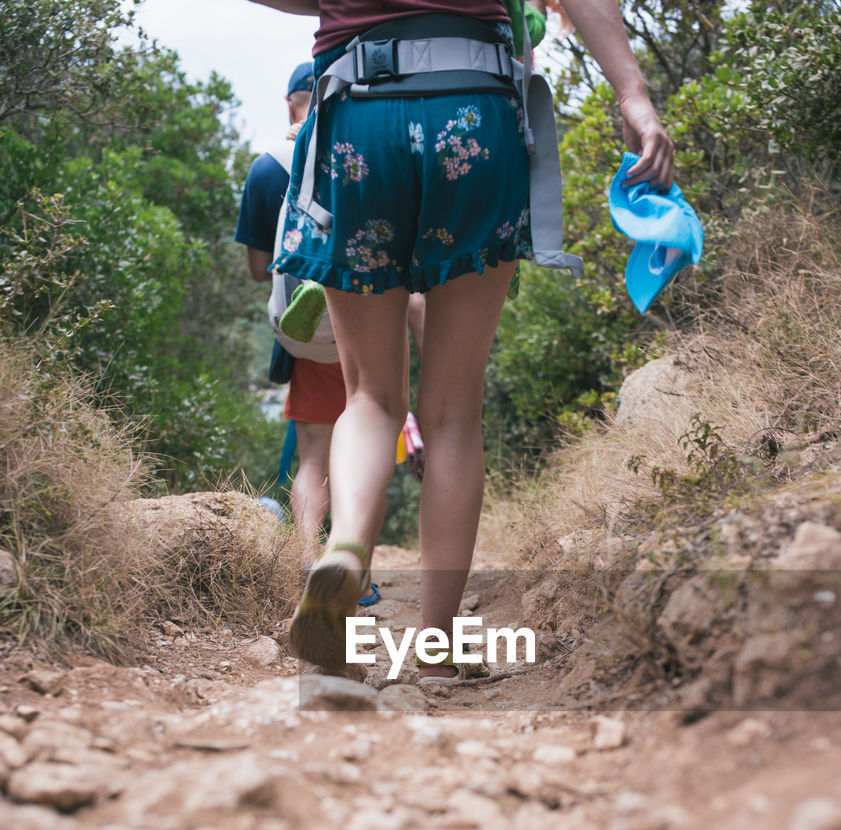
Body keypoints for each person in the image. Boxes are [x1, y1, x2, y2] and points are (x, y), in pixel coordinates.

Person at [249, 0, 674, 677]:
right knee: (451, 413)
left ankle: (346, 551)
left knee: (369, 399)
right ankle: (435, 646)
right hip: (472, 111)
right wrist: (635, 94)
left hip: (357, 113)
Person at [235, 61, 347, 554]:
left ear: (291, 101)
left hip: (310, 330)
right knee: (365, 444)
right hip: (374, 315)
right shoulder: (361, 151)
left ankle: (306, 559)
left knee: (314, 458)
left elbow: (261, 269)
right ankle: (355, 572)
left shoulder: (267, 166)